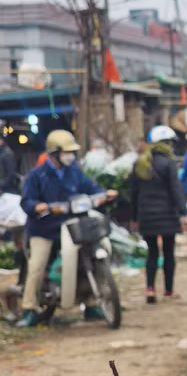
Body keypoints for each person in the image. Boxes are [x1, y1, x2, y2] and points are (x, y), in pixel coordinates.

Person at [17, 130, 117, 327]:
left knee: (86, 257)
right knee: (37, 266)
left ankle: (91, 304)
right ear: (55, 153)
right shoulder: (37, 175)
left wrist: (103, 194)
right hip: (44, 227)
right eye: (67, 152)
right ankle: (29, 308)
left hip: (71, 224)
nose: (71, 155)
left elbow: (90, 187)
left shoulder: (74, 171)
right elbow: (26, 201)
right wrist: (37, 206)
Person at [130, 126, 187, 304]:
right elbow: (175, 189)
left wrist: (134, 217)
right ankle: (168, 291)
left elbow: (133, 193)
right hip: (167, 215)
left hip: (146, 215)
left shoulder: (140, 163)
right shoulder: (169, 163)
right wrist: (183, 213)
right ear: (167, 144)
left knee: (152, 253)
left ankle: (150, 289)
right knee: (169, 252)